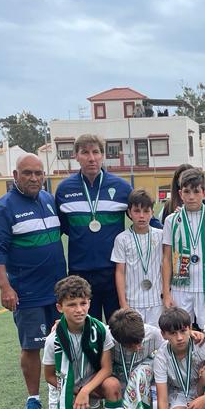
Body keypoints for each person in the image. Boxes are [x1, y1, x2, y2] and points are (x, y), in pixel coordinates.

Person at [0, 153, 67, 409]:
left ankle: (67, 390)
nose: (34, 178)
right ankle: (33, 398)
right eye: (27, 173)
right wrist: (5, 287)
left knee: (65, 341)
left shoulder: (48, 200)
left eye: (38, 173)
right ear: (15, 176)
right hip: (28, 292)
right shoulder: (3, 208)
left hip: (59, 291)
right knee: (32, 346)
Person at [42, 275, 130, 409]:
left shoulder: (100, 329)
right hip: (64, 386)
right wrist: (73, 392)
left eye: (83, 303)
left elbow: (107, 368)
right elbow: (49, 376)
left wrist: (85, 391)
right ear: (60, 308)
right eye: (71, 304)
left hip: (92, 382)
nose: (79, 309)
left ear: (90, 303)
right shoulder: (52, 340)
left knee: (113, 384)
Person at [55, 134, 142, 323]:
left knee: (118, 326)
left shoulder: (122, 187)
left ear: (103, 155)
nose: (91, 158)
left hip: (114, 271)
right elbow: (63, 228)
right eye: (85, 153)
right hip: (80, 273)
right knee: (86, 328)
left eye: (95, 152)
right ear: (76, 156)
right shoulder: (64, 190)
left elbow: (141, 216)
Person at [161, 167, 205, 326]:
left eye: (196, 191)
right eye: (187, 192)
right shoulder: (171, 220)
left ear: (204, 193)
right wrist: (166, 293)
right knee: (180, 330)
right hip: (181, 287)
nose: (191, 196)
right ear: (180, 194)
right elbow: (166, 258)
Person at [112, 188, 163, 326]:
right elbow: (120, 272)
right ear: (129, 213)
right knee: (135, 338)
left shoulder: (161, 235)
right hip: (132, 302)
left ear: (152, 212)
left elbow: (166, 265)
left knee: (157, 337)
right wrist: (123, 304)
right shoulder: (121, 239)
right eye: (137, 211)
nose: (141, 216)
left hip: (157, 302)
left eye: (146, 211)